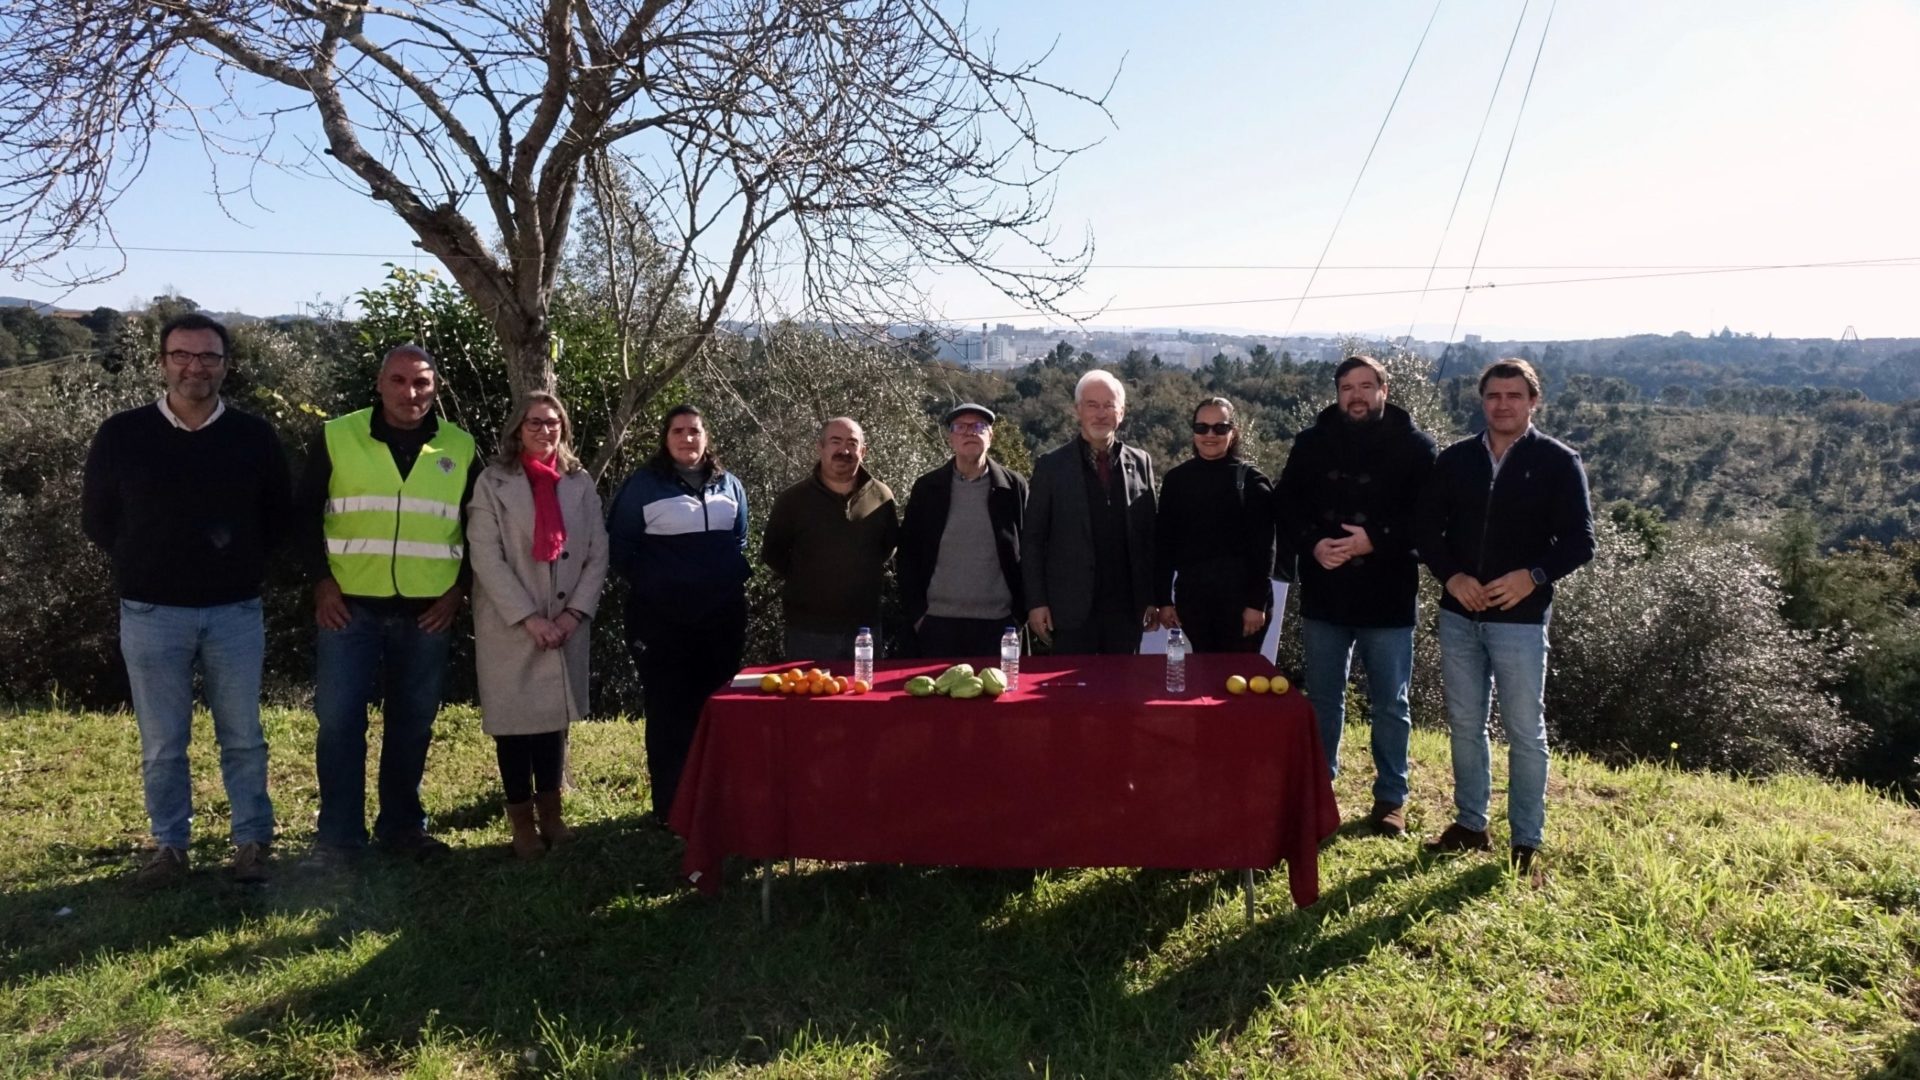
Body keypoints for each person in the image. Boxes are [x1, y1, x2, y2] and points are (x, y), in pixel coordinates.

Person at [81, 312, 291, 886]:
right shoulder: (122, 434)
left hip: (234, 613)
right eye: (182, 355)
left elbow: (277, 519)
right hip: (151, 613)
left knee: (244, 736)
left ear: (225, 365)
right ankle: (170, 849)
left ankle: (252, 844)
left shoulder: (253, 435)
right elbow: (98, 521)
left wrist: (234, 565)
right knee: (163, 743)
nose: (195, 367)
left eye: (208, 356)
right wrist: (147, 562)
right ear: (162, 362)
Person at [299, 344, 478, 862]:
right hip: (348, 606)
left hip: (428, 611)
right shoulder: (339, 434)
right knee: (337, 723)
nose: (410, 392)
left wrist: (459, 589)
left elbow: (480, 527)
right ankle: (338, 837)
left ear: (435, 388)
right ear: (379, 384)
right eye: (398, 381)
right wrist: (321, 582)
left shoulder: (460, 446)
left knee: (413, 723)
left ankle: (402, 828)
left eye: (422, 382)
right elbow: (304, 513)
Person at [1417, 358, 1594, 871]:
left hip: (1520, 620)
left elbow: (1582, 543)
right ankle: (1471, 824)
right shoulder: (1455, 460)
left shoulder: (1560, 461)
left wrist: (1532, 577)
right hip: (1459, 614)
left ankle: (1526, 840)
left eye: (1514, 396)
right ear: (1482, 401)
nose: (1503, 404)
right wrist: (1452, 577)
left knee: (1523, 729)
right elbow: (1427, 529)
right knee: (1466, 724)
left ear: (1533, 401)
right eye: (1494, 396)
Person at [1276, 356, 1437, 837]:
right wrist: (1312, 543)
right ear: (1337, 393)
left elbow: (1428, 523)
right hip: (1326, 593)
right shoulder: (1310, 443)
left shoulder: (1416, 448)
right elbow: (1286, 504)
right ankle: (1321, 791)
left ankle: (1391, 797)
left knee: (1391, 702)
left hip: (1387, 595)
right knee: (1324, 699)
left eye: (1366, 386)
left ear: (1384, 389)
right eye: (1347, 387)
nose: (1357, 395)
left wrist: (1375, 540)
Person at [466, 392, 608, 858]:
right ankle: (521, 824)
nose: (544, 431)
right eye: (534, 423)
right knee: (514, 726)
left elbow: (596, 553)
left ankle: (553, 816)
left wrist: (572, 615)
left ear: (563, 428)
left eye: (552, 423)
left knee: (551, 724)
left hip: (565, 622)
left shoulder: (579, 482)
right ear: (516, 429)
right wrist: (529, 618)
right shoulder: (493, 482)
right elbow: (485, 555)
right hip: (511, 624)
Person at [606, 404, 751, 821]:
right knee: (669, 712)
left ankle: (714, 801)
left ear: (706, 437)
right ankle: (671, 807)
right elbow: (621, 548)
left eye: (695, 430)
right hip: (661, 622)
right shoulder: (644, 485)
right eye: (678, 431)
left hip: (720, 620)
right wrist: (661, 585)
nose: (688, 438)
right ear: (665, 439)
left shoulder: (730, 485)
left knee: (716, 707)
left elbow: (738, 539)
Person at [1023, 369, 1158, 654]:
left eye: (1109, 405)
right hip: (1069, 610)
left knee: (1123, 693)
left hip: (1126, 612)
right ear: (1077, 411)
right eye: (1092, 405)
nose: (1101, 414)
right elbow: (1033, 539)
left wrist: (1153, 597)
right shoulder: (1051, 466)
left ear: (1121, 412)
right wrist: (1037, 602)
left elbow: (1149, 538)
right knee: (1071, 697)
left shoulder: (1141, 462)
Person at [761, 417, 900, 661]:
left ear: (863, 451)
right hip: (808, 631)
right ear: (821, 447)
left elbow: (888, 549)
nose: (844, 450)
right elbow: (773, 553)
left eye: (852, 443)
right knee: (807, 698)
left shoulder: (882, 496)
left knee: (865, 696)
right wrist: (810, 580)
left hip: (865, 629)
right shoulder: (793, 500)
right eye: (835, 442)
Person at [898, 403, 1029, 658]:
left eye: (979, 427)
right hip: (936, 624)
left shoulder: (1013, 488)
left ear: (991, 436)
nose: (970, 433)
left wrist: (1019, 615)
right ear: (951, 439)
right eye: (961, 427)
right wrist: (917, 616)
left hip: (999, 624)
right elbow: (907, 555)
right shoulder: (927, 488)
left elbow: (1031, 549)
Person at [1154, 397, 1276, 653]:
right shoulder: (1176, 480)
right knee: (1204, 680)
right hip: (1194, 604)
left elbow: (1264, 548)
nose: (1210, 435)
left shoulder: (1253, 481)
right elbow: (1163, 544)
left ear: (1233, 432)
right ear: (1193, 431)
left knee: (1237, 683)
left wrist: (1256, 604)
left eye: (1220, 428)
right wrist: (1164, 600)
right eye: (1202, 428)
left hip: (1242, 606)